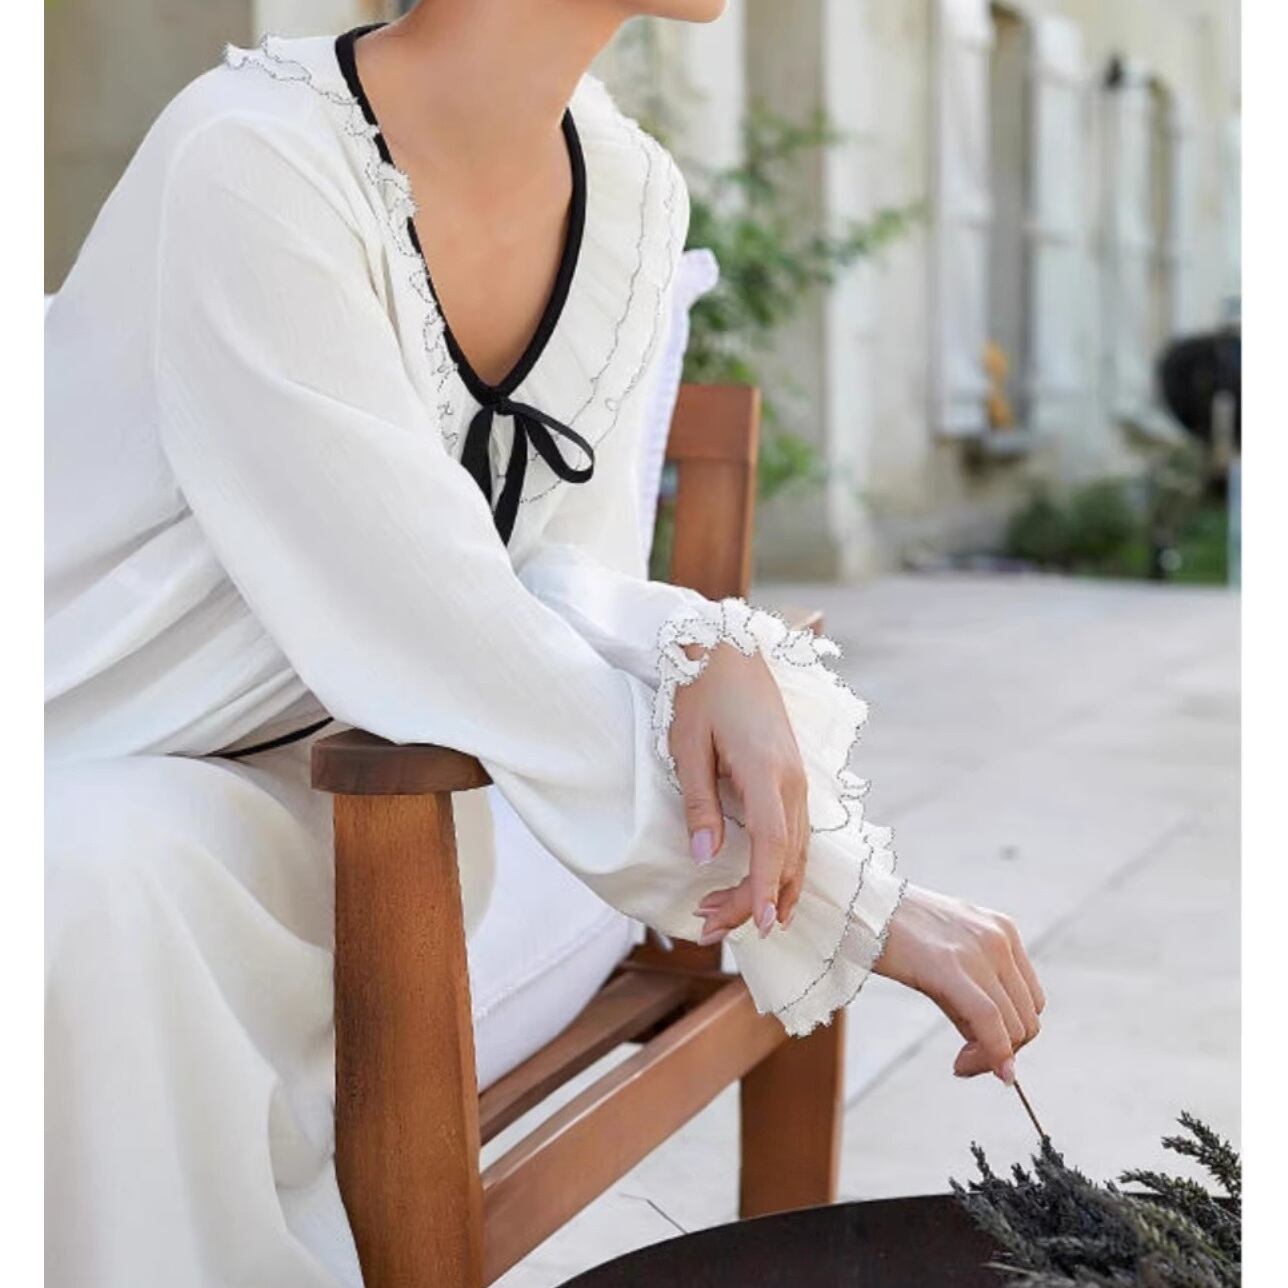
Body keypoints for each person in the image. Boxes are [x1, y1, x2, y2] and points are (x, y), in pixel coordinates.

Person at [44, 2, 1045, 1283]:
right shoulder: (250, 157)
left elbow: (548, 570)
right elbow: (418, 610)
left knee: (104, 873)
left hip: (325, 786)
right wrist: (849, 895)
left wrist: (694, 639)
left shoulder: (627, 191)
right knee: (83, 876)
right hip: (80, 729)